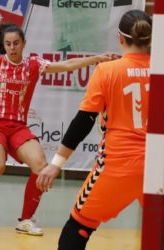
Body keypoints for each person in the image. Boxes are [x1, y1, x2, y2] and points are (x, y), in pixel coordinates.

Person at [0, 23, 114, 235]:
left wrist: (97, 59)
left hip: (17, 127)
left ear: (24, 43)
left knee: (40, 166)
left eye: (16, 43)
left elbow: (68, 65)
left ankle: (25, 220)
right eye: (7, 44)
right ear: (3, 45)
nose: (12, 48)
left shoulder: (34, 65)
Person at [36, 10, 151, 249]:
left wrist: (56, 163)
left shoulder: (108, 70)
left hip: (117, 165)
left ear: (120, 39)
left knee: (78, 227)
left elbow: (84, 120)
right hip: (156, 167)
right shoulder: (159, 71)